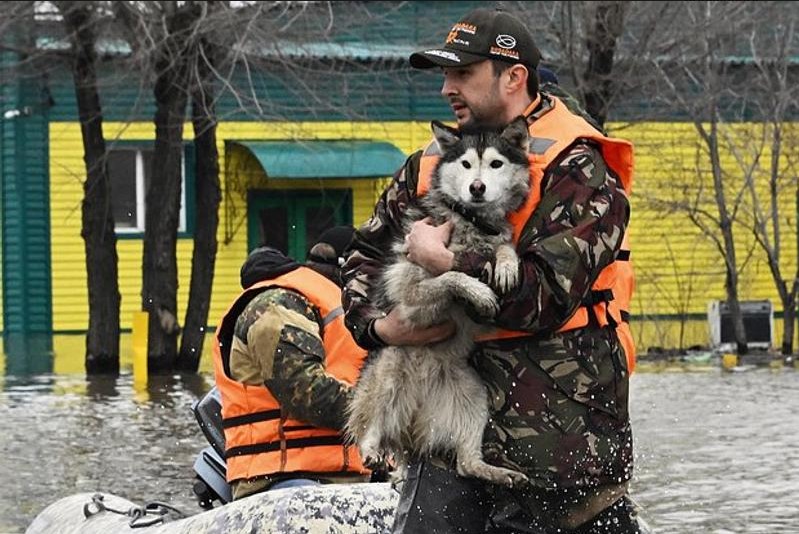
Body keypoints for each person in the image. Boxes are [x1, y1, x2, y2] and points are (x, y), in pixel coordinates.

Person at [341, 7, 643, 534]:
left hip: (563, 449)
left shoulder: (580, 169)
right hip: (441, 438)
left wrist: (451, 262)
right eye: (444, 75)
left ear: (513, 76)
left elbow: (546, 296)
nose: (446, 89)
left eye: (462, 74)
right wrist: (378, 326)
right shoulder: (429, 165)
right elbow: (363, 255)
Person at [212, 226, 371, 500]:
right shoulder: (277, 304)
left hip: (339, 478)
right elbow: (303, 391)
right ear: (348, 269)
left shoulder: (340, 309)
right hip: (285, 480)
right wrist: (387, 409)